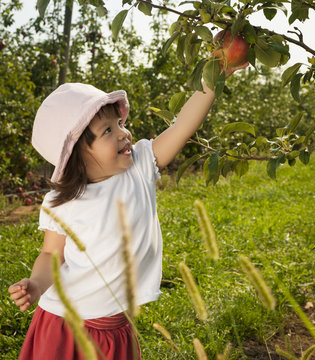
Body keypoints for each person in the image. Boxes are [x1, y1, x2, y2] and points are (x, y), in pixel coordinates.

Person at [8, 62, 247, 359]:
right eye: (107, 130)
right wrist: (35, 285)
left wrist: (216, 75)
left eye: (119, 123)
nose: (123, 134)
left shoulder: (140, 166)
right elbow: (50, 256)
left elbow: (183, 126)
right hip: (63, 324)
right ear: (76, 157)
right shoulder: (64, 202)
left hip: (116, 325)